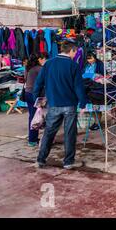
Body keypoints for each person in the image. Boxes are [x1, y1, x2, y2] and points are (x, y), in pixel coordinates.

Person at [33, 41, 87, 169]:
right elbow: (79, 87)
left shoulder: (48, 64)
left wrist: (37, 100)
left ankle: (41, 160)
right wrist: (83, 104)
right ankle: (68, 162)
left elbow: (38, 83)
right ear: (72, 51)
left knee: (49, 133)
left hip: (53, 105)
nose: (75, 55)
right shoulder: (73, 66)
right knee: (69, 133)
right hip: (70, 105)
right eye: (75, 52)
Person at [24, 54, 43, 147]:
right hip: (34, 94)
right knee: (36, 117)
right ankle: (32, 140)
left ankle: (33, 137)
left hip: (27, 93)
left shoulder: (28, 68)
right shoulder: (38, 69)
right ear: (39, 59)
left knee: (32, 116)